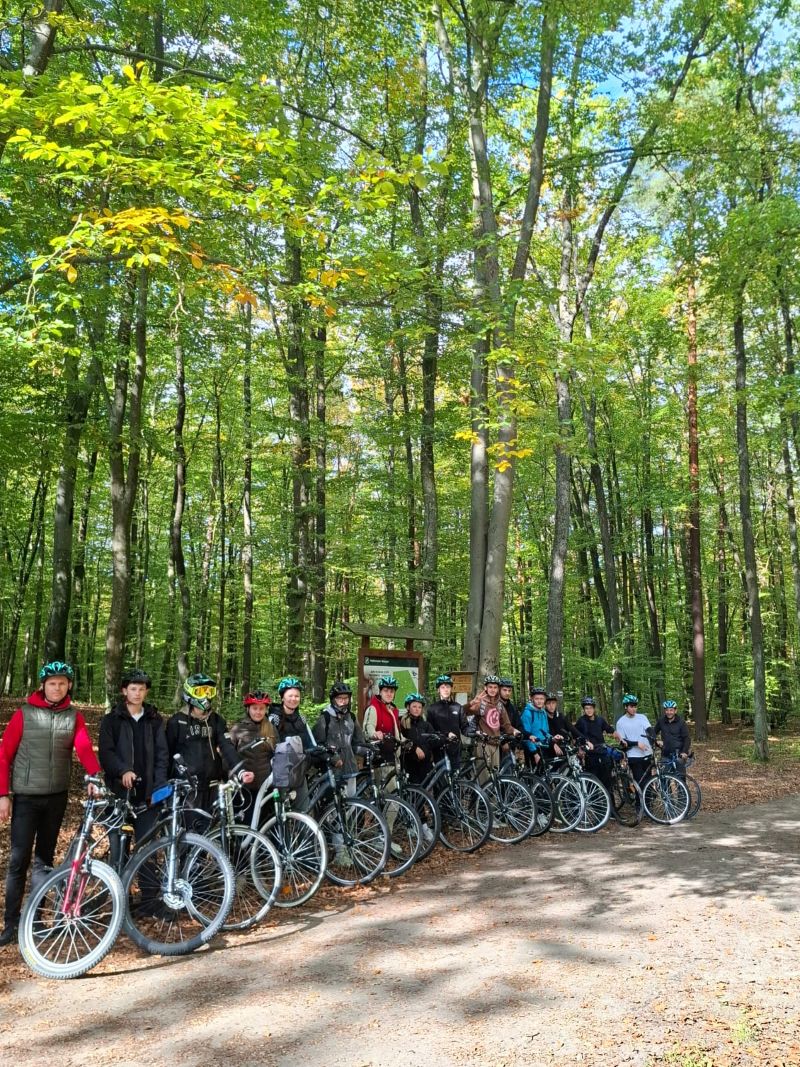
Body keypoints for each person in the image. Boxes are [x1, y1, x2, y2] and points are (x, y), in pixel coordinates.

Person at [0, 661, 101, 947]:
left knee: (44, 861)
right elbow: (4, 754)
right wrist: (3, 794)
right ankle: (11, 923)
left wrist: (94, 775)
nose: (57, 688)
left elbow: (84, 748)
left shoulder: (74, 717)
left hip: (56, 797)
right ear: (43, 685)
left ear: (69, 686)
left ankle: (35, 921)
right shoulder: (24, 714)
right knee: (18, 860)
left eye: (62, 683)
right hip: (26, 798)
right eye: (52, 683)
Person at [98, 667, 168, 866]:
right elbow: (106, 753)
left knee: (147, 856)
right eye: (133, 689)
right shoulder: (111, 720)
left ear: (146, 692)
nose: (137, 693)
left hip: (147, 799)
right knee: (118, 855)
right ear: (124, 691)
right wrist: (123, 771)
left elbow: (162, 755)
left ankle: (148, 888)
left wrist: (159, 787)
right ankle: (119, 886)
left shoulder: (154, 720)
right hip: (118, 796)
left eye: (141, 689)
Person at [165, 673, 254, 816]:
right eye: (200, 691)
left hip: (212, 786)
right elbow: (167, 754)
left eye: (209, 691)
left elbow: (227, 747)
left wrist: (241, 771)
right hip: (188, 788)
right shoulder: (177, 721)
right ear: (190, 694)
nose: (205, 695)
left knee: (212, 826)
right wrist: (163, 783)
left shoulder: (216, 720)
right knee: (189, 827)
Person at [269, 676, 316, 812]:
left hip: (299, 770)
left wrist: (317, 752)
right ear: (282, 697)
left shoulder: (301, 718)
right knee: (281, 811)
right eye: (290, 696)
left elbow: (311, 742)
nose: (294, 699)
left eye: (297, 696)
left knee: (304, 809)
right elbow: (269, 744)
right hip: (280, 772)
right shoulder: (274, 718)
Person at [229, 690, 277, 824]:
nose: (258, 712)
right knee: (243, 825)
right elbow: (227, 756)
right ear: (248, 709)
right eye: (255, 708)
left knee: (263, 824)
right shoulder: (238, 729)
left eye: (261, 709)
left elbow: (277, 755)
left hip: (265, 787)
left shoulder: (271, 729)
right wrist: (233, 776)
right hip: (243, 788)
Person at [313, 682, 366, 797]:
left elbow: (358, 742)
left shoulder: (351, 717)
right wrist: (333, 758)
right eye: (339, 698)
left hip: (350, 769)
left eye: (346, 698)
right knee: (333, 804)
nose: (343, 701)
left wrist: (368, 751)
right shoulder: (325, 718)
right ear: (333, 700)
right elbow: (317, 744)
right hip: (332, 771)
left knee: (352, 802)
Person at [468, 674, 518, 770]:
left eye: (495, 687)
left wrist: (514, 731)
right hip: (482, 743)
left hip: (495, 744)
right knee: (484, 775)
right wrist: (472, 703)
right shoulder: (481, 703)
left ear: (498, 689)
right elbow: (465, 713)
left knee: (495, 774)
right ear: (485, 688)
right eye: (490, 687)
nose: (493, 690)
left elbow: (506, 725)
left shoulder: (499, 705)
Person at [426, 674, 469, 767]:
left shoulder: (458, 707)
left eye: (448, 687)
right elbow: (430, 731)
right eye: (442, 687)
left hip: (455, 749)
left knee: (456, 774)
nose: (445, 690)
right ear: (438, 690)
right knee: (441, 775)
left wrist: (474, 732)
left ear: (451, 689)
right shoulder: (432, 709)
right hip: (439, 750)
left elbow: (465, 727)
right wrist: (445, 734)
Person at [574, 696, 615, 794]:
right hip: (590, 755)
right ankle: (595, 802)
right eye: (586, 708)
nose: (589, 710)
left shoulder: (600, 720)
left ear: (594, 708)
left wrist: (620, 739)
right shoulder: (581, 721)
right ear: (584, 709)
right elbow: (575, 736)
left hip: (602, 753)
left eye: (591, 708)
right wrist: (579, 748)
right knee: (593, 782)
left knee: (607, 782)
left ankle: (610, 802)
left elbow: (610, 730)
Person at [614, 694, 653, 786]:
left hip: (647, 753)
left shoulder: (642, 717)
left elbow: (650, 730)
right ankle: (637, 795)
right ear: (626, 707)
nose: (634, 709)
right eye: (631, 707)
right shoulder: (621, 722)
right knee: (640, 782)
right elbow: (622, 741)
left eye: (635, 706)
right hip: (633, 755)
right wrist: (637, 743)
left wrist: (654, 740)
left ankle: (647, 796)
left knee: (649, 782)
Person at [399, 693, 438, 785]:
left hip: (425, 764)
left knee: (425, 789)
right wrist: (414, 748)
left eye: (419, 707)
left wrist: (445, 736)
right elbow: (400, 740)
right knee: (412, 789)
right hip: (409, 764)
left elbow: (433, 738)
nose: (417, 709)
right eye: (414, 706)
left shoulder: (426, 724)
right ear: (408, 707)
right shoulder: (402, 723)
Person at [653, 700, 691, 777]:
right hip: (665, 754)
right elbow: (653, 733)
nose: (669, 712)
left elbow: (687, 738)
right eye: (667, 710)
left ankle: (681, 785)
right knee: (664, 778)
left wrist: (684, 751)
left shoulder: (681, 722)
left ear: (675, 711)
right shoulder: (661, 721)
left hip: (678, 754)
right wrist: (656, 741)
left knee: (680, 778)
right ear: (665, 711)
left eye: (671, 710)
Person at [520, 686, 550, 767]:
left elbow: (546, 731)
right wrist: (535, 753)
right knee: (534, 772)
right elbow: (526, 735)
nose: (539, 701)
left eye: (542, 699)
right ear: (532, 699)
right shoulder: (527, 713)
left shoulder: (543, 712)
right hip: (532, 749)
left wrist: (552, 738)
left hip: (543, 746)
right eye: (537, 699)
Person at [543, 691, 580, 756]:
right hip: (549, 750)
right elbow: (542, 734)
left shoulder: (561, 717)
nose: (551, 706)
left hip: (565, 749)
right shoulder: (542, 718)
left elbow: (573, 730)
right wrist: (553, 744)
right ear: (545, 705)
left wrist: (586, 740)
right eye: (548, 703)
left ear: (556, 704)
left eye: (553, 703)